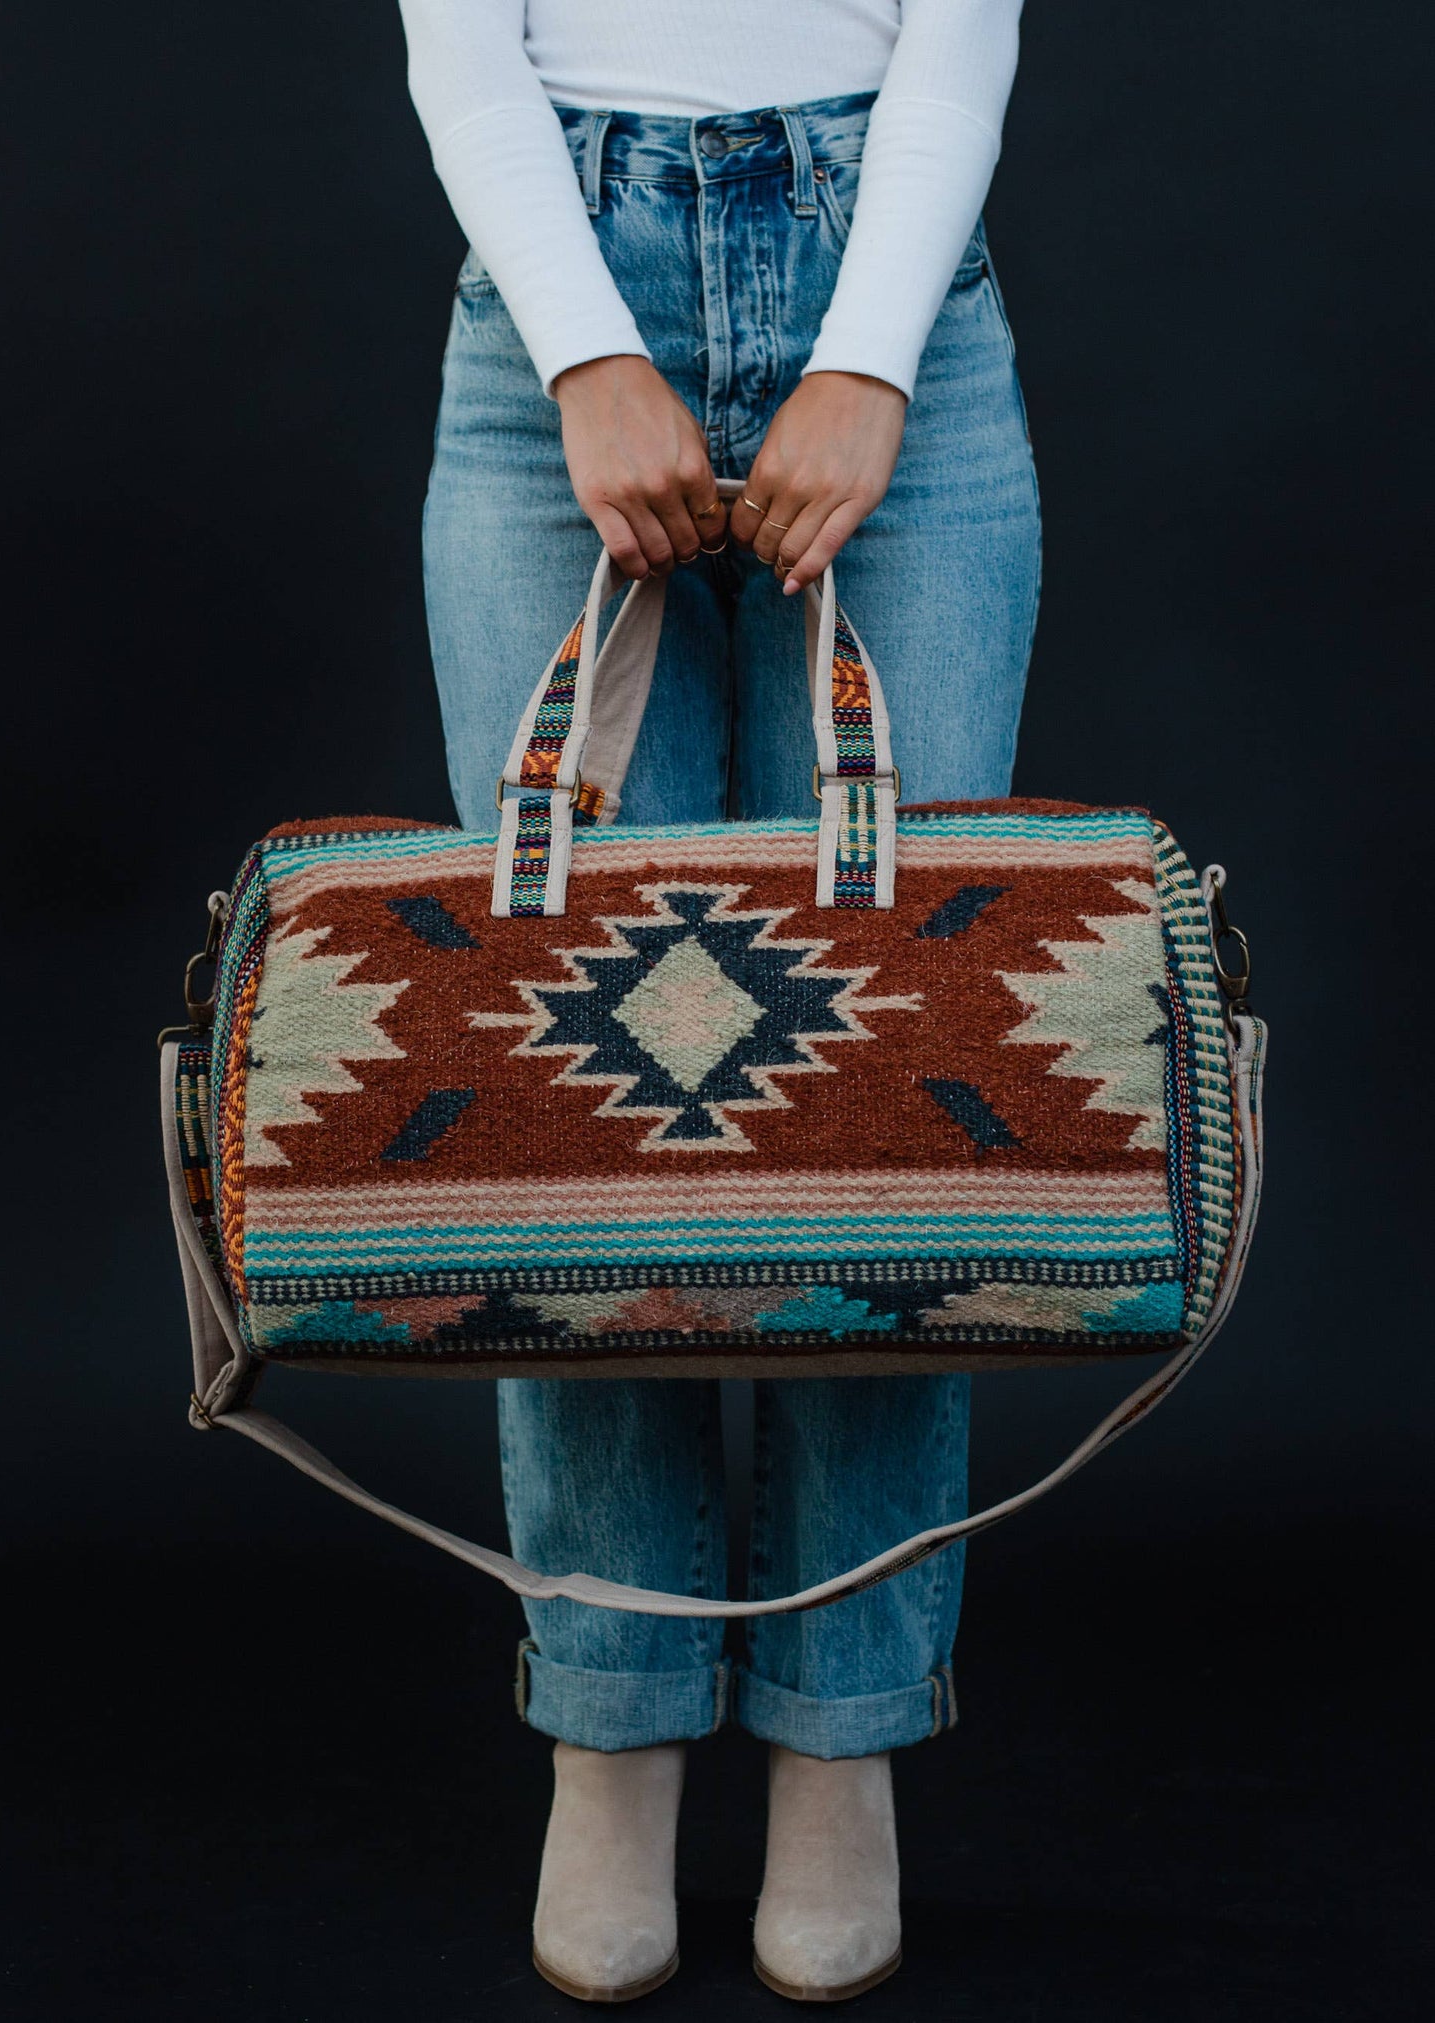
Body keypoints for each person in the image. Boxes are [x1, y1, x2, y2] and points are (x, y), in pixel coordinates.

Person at [399, 0, 1037, 2001]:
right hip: (554, 288)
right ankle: (615, 1717)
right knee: (589, 1111)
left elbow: (964, 27)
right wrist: (592, 347)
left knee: (888, 1098)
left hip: (894, 274)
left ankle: (845, 1725)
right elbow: (460, 36)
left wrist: (864, 357)